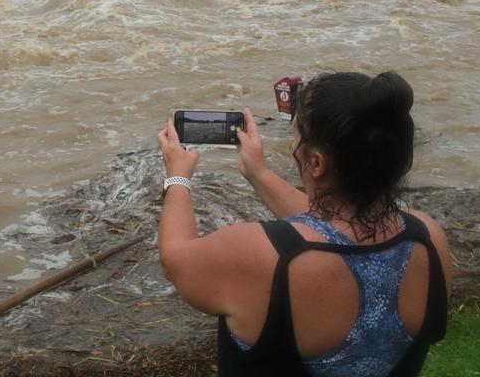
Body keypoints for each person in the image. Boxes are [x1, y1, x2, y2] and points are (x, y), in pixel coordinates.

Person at [156, 72, 452, 377]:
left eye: (296, 136)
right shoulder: (428, 240)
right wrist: (259, 173)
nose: (293, 145)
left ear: (317, 164)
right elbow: (334, 231)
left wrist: (177, 177)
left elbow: (175, 261)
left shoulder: (263, 258)